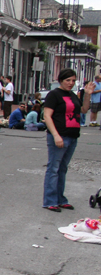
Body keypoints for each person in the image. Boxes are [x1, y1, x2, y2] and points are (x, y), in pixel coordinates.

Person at [42, 68, 94, 212]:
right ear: (61, 80)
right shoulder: (54, 95)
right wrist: (56, 135)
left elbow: (83, 110)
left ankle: (60, 199)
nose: (71, 83)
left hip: (72, 136)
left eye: (73, 80)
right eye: (68, 80)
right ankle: (50, 200)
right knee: (53, 168)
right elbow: (47, 116)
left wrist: (87, 95)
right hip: (59, 136)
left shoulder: (72, 95)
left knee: (62, 169)